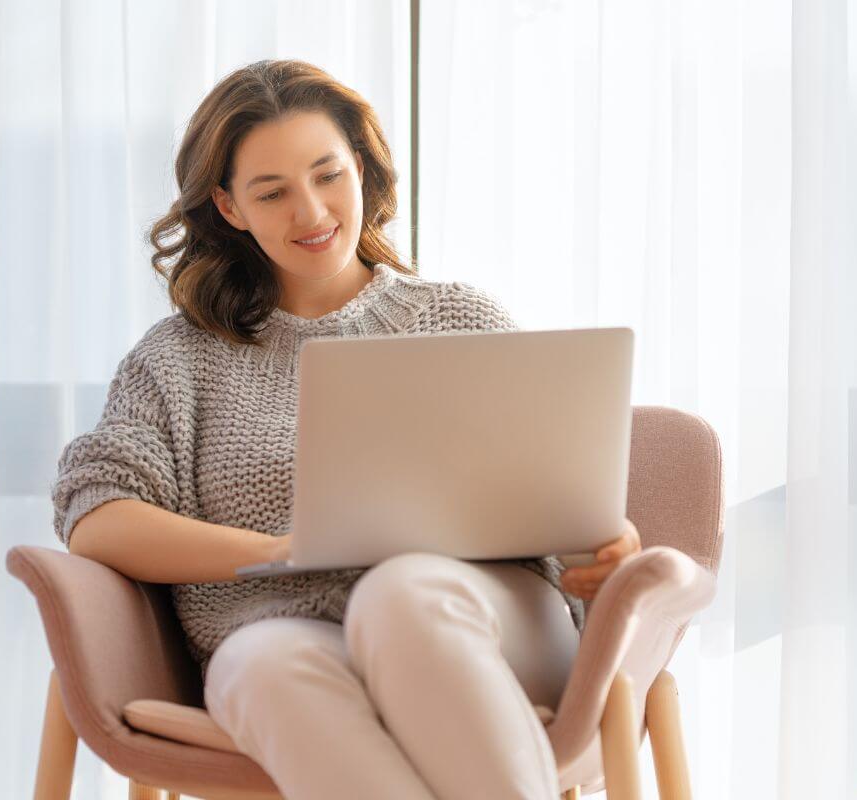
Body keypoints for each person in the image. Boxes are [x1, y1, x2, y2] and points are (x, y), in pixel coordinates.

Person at [51, 58, 642, 800]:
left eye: (328, 175)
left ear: (361, 169)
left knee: (400, 595)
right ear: (230, 208)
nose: (311, 211)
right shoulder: (179, 359)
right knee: (259, 668)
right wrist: (281, 551)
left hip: (479, 622)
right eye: (273, 192)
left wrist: (604, 540)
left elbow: (559, 493)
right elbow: (99, 516)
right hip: (276, 631)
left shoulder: (459, 319)